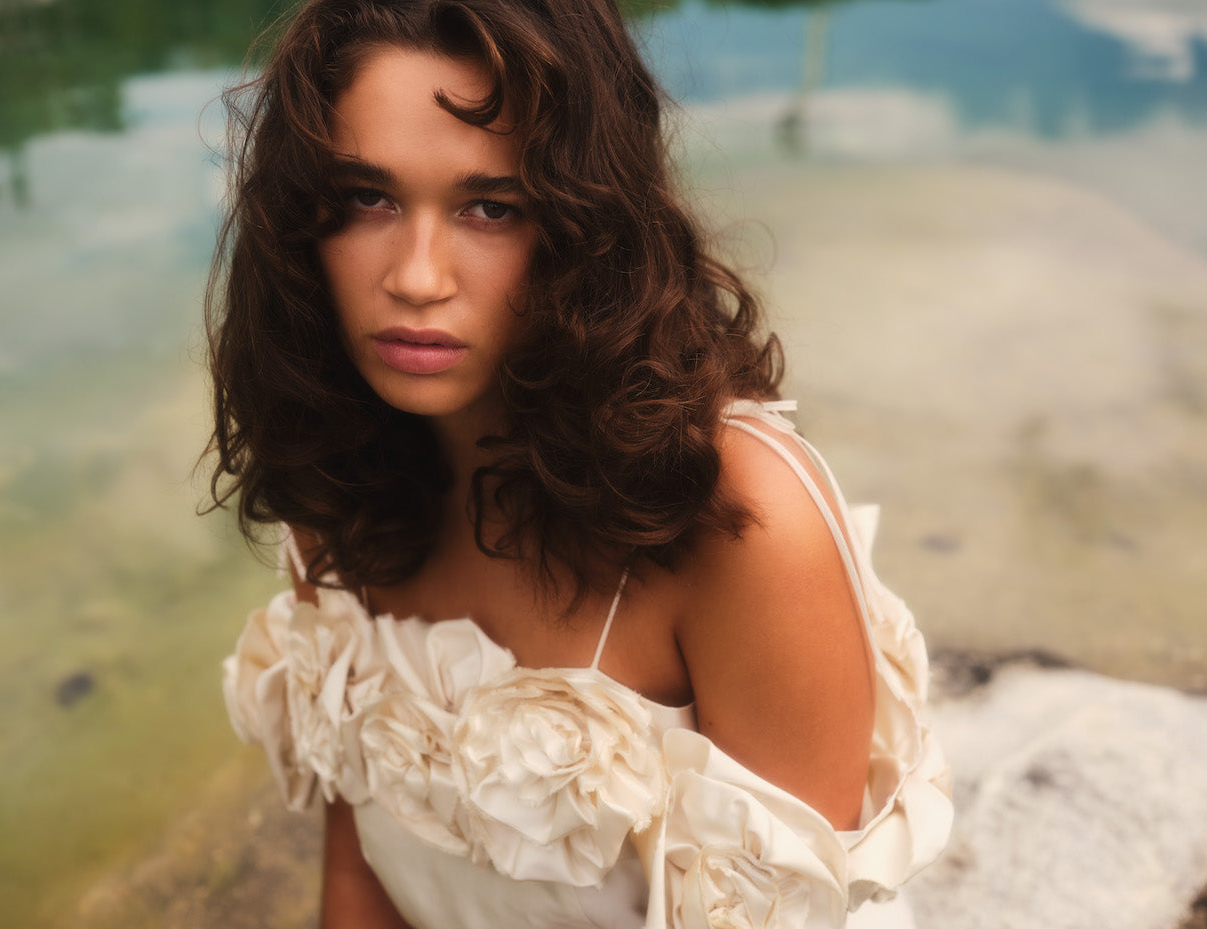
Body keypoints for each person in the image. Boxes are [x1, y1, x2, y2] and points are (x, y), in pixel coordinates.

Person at [207, 0, 952, 926]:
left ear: (585, 225)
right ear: (297, 221)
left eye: (490, 207)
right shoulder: (337, 466)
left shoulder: (740, 521)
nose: (416, 276)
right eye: (368, 197)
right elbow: (359, 863)